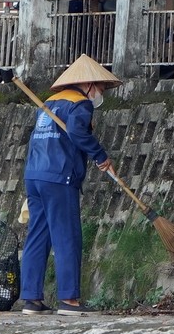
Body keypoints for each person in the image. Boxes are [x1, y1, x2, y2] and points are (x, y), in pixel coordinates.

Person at [19, 54, 121, 316]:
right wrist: (100, 155)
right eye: (99, 88)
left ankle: (31, 299)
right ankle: (69, 301)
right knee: (67, 236)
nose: (99, 94)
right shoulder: (80, 105)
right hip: (59, 177)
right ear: (87, 85)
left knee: (38, 235)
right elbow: (77, 133)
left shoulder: (50, 103)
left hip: (34, 176)